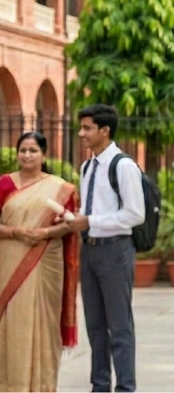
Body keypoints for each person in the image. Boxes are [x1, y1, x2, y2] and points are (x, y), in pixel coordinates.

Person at [63, 104, 145, 392]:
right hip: (91, 251)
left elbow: (136, 214)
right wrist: (77, 221)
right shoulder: (87, 167)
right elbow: (90, 211)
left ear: (104, 130)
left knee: (119, 326)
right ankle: (100, 385)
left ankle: (125, 387)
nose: (82, 134)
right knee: (95, 326)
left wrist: (91, 220)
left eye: (87, 128)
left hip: (115, 251)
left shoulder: (122, 166)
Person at [0, 131, 79, 391]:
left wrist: (46, 232)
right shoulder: (4, 185)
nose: (26, 155)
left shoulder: (60, 188)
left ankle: (43, 386)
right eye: (22, 150)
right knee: (10, 322)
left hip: (46, 260)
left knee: (44, 322)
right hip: (9, 257)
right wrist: (16, 232)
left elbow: (70, 225)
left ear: (44, 154)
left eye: (33, 150)